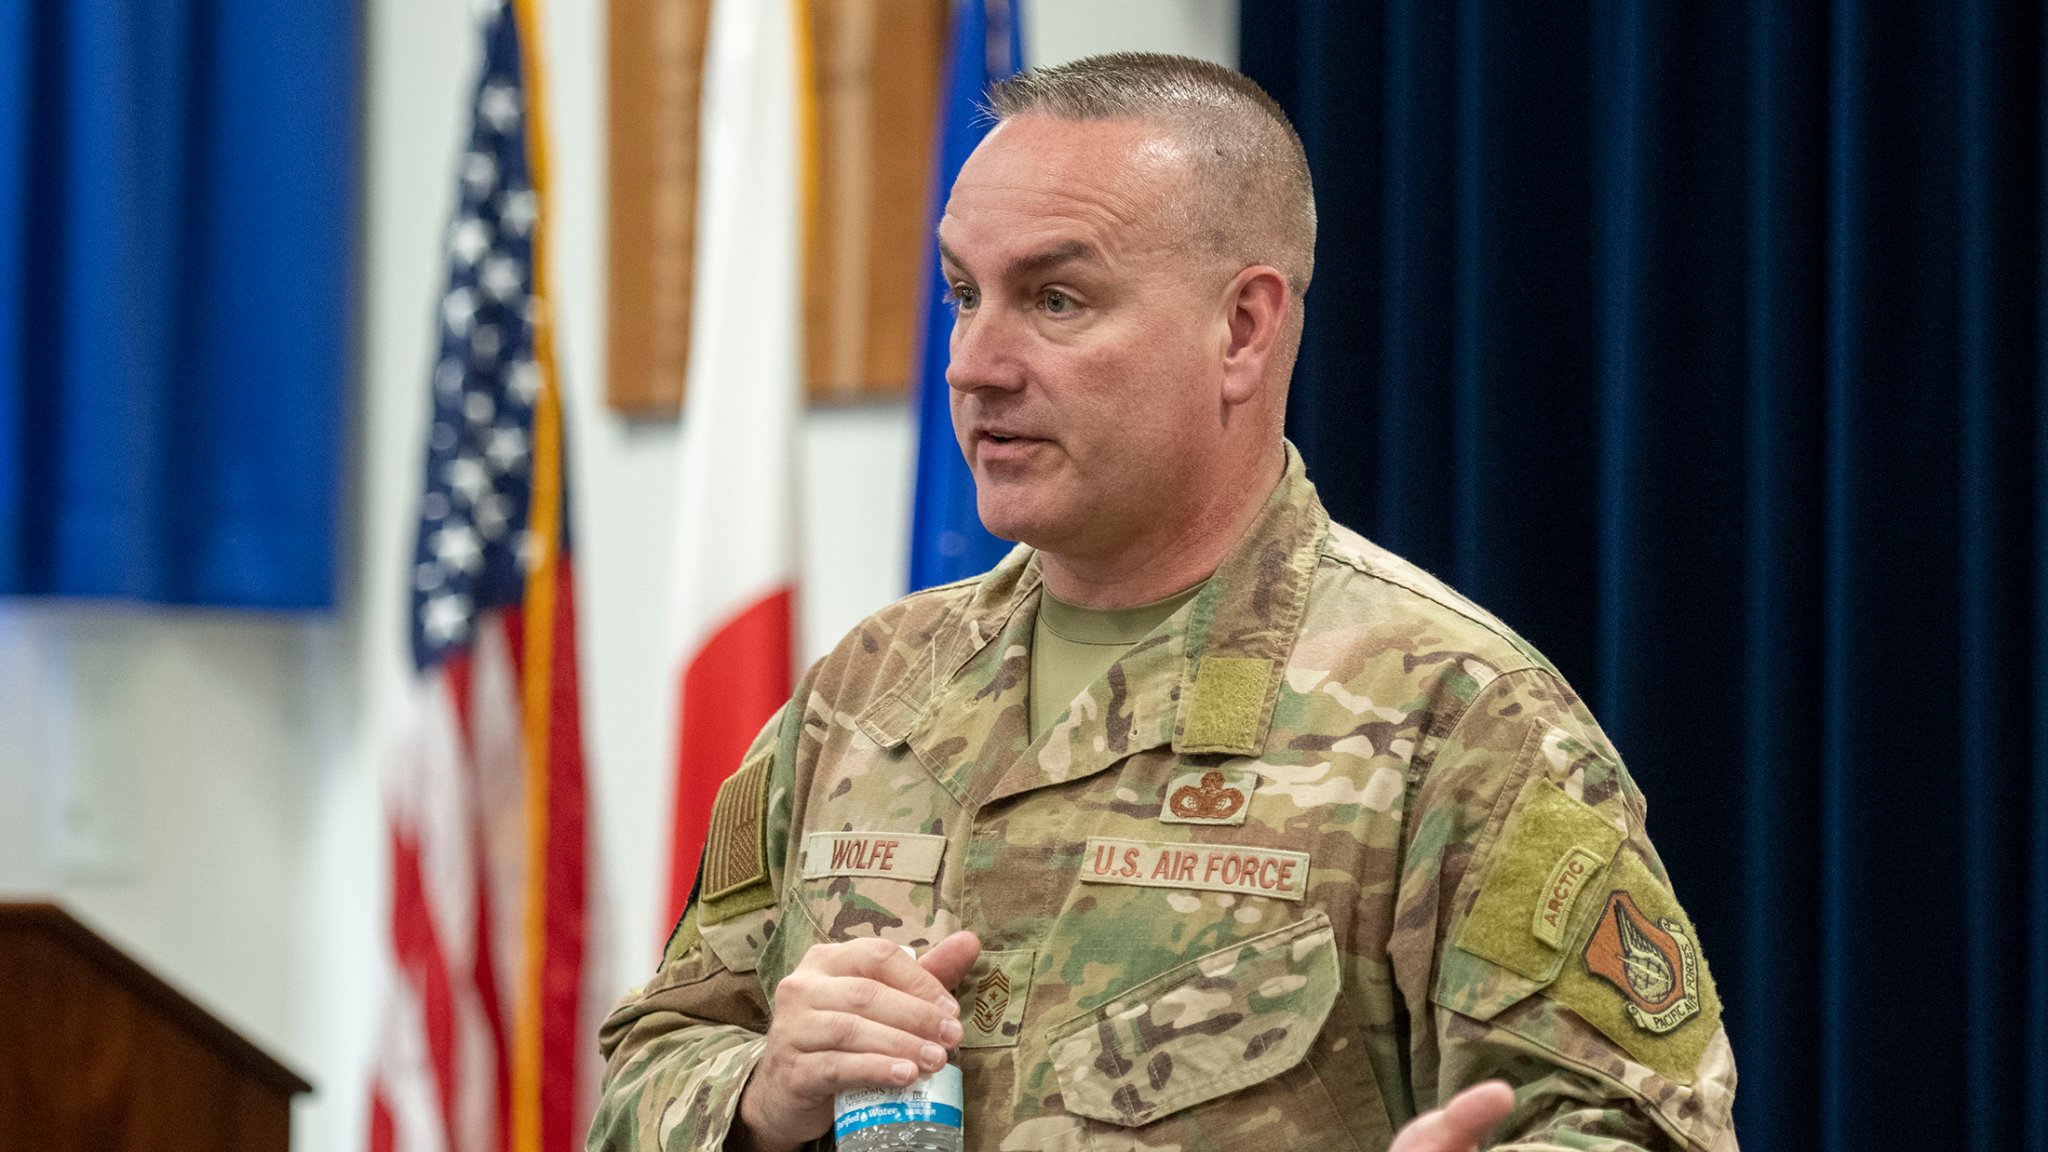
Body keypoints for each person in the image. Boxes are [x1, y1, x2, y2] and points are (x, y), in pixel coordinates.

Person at [588, 53, 1738, 1152]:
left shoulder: (1456, 721)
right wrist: (760, 1093)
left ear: (1241, 328)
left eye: (1054, 299)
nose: (973, 362)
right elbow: (645, 1068)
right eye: (962, 294)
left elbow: (1628, 1127)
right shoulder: (868, 689)